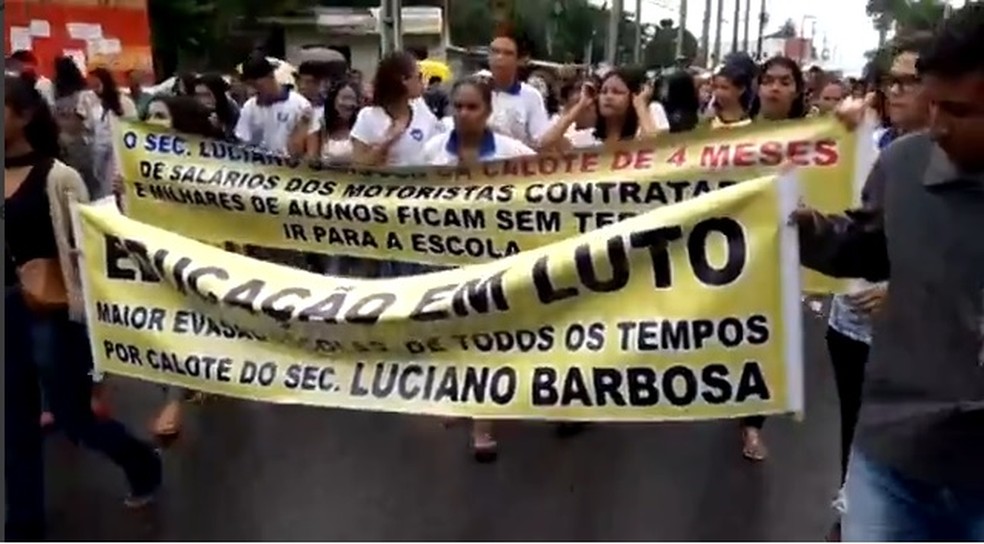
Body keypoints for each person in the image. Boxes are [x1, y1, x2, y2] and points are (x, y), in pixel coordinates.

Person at [793, 5, 984, 540]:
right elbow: (863, 249)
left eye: (960, 110)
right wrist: (798, 227)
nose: (937, 124)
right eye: (933, 102)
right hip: (893, 459)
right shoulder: (902, 165)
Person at [4, 75, 162, 539]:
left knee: (74, 418)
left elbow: (87, 253)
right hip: (7, 312)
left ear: (25, 115)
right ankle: (24, 523)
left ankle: (140, 461)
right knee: (15, 423)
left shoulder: (59, 177)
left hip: (52, 312)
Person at [822, 33, 933, 542]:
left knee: (907, 449)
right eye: (892, 80)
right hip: (850, 323)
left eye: (911, 80)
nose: (897, 91)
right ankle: (853, 512)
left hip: (915, 336)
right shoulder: (877, 145)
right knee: (857, 434)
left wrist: (901, 292)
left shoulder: (960, 161)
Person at [419, 78, 533, 460]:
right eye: (459, 107)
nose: (464, 114)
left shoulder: (511, 151)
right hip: (447, 257)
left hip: (497, 258)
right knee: (456, 330)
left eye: (472, 107)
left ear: (487, 112)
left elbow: (550, 186)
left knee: (488, 335)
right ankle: (462, 399)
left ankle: (484, 424)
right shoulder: (434, 150)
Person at [350, 51, 445, 167]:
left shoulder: (422, 108)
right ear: (403, 80)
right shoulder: (367, 117)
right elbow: (358, 166)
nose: (423, 82)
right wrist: (388, 140)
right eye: (419, 76)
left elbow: (438, 151)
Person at [540, 67, 657, 150]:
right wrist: (580, 105)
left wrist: (641, 105)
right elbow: (546, 145)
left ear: (632, 97)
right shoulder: (587, 140)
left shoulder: (639, 140)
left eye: (617, 92)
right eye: (603, 92)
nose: (608, 97)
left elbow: (658, 149)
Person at [234, 55, 320, 157]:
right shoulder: (249, 107)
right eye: (250, 86)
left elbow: (311, 145)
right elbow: (243, 140)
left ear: (271, 76)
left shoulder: (300, 105)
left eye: (257, 85)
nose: (254, 90)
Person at [486, 29, 551, 147]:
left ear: (520, 61)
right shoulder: (474, 88)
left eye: (508, 53)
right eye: (495, 51)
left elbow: (541, 142)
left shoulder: (531, 97)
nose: (500, 57)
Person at [88, 67, 138, 198]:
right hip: (99, 156)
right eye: (92, 86)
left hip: (118, 154)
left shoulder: (124, 102)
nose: (95, 89)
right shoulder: (95, 104)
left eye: (97, 85)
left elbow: (133, 128)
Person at [319, 81, 361, 165]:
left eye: (352, 99)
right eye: (345, 98)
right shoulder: (322, 126)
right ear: (333, 100)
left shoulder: (361, 128)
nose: (349, 104)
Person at [193, 73, 240, 140]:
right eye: (199, 95)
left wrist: (220, 129)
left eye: (207, 95)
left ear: (217, 93)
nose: (203, 100)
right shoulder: (194, 107)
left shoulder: (232, 109)